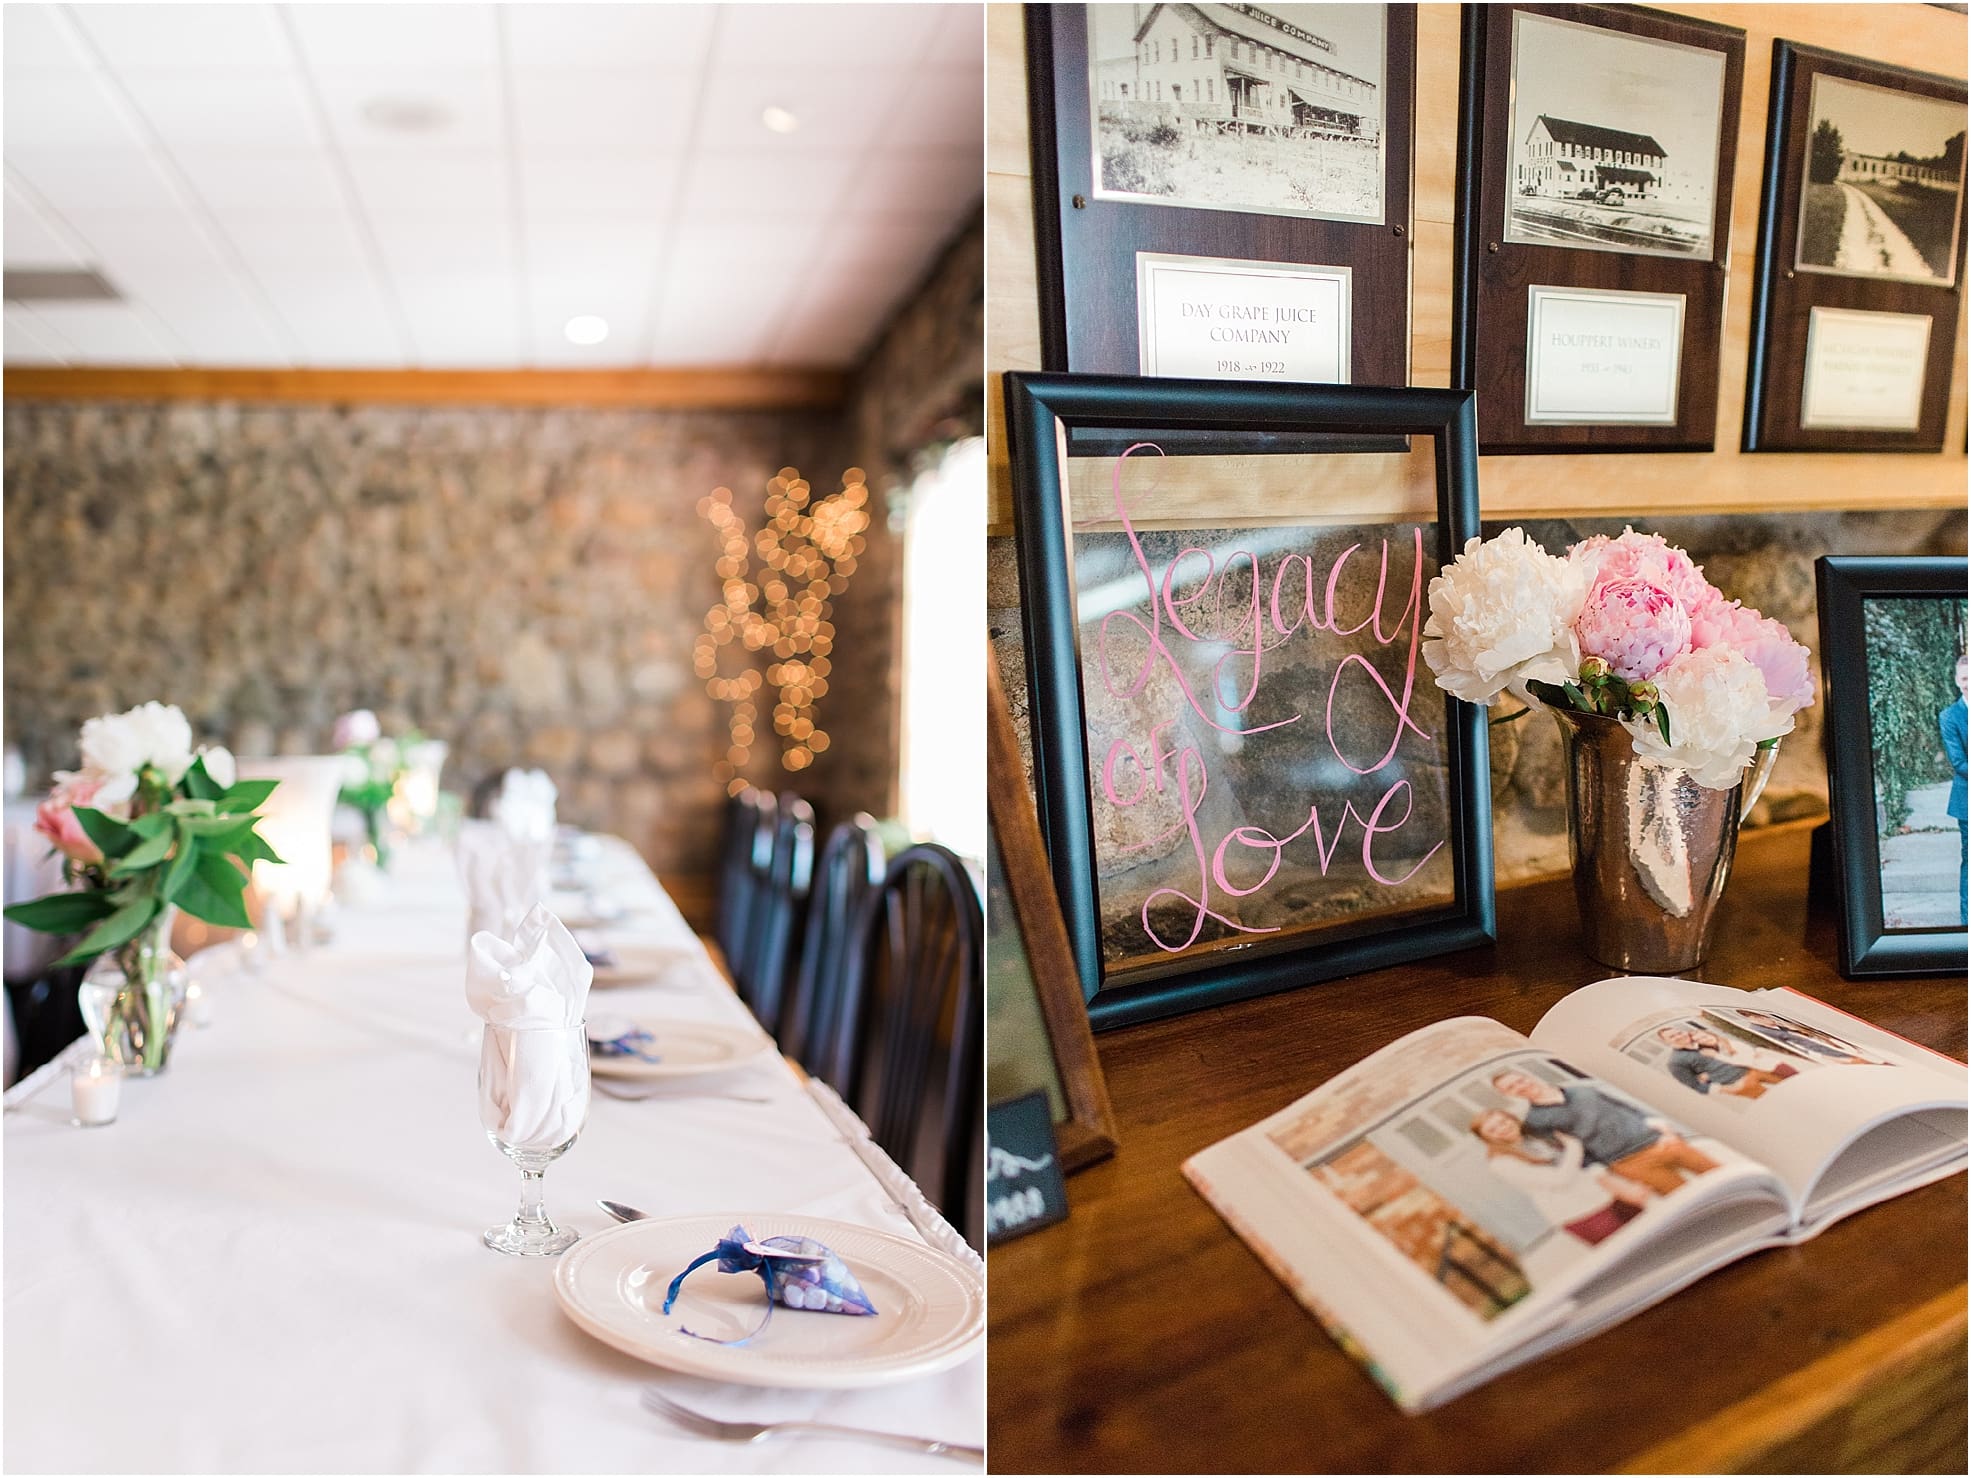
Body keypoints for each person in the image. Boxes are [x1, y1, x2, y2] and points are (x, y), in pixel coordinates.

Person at [1492, 1069, 1720, 1195]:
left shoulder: (1581, 1090)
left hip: (1662, 1141)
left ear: (1528, 1075)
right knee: (1689, 1197)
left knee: (1719, 1176)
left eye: (1519, 1079)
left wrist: (1663, 1128)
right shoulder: (1536, 1121)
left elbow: (1627, 1108)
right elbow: (1575, 1155)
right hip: (1628, 1162)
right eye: (1511, 1087)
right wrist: (1615, 1180)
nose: (1520, 1085)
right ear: (1509, 1095)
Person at [1470, 1110, 1651, 1246]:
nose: (1503, 1128)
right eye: (1493, 1129)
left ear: (1511, 1118)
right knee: (1630, 1250)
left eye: (1503, 1121)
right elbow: (1560, 1178)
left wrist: (1620, 1186)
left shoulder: (1534, 1139)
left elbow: (1581, 1168)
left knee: (1651, 1236)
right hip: (1581, 1214)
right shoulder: (1501, 1163)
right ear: (1486, 1138)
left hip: (1605, 1196)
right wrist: (1573, 1146)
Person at [1656, 1025, 1790, 1099]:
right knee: (1774, 1100)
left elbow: (1725, 1046)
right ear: (1666, 1042)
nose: (1679, 1036)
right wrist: (1727, 1090)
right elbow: (1693, 1085)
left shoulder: (1700, 1041)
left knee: (1787, 1087)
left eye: (1679, 1032)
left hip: (1752, 1069)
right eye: (1672, 1036)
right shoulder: (1675, 1062)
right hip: (1737, 1082)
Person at [1734, 1009, 1880, 1066]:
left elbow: (1807, 1033)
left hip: (1823, 1044)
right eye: (1759, 1017)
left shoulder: (1779, 1024)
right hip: (1813, 1052)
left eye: (1762, 1016)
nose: (1764, 1018)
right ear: (1753, 1019)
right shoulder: (1760, 1030)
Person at [1942, 654, 1967, 927]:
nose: (1968, 684)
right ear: (1957, 680)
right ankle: (1966, 923)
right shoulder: (1949, 716)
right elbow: (1959, 761)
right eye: (1964, 678)